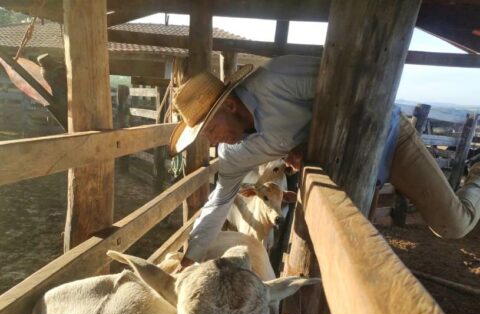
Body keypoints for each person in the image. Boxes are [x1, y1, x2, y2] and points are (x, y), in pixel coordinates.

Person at [168, 55, 480, 266]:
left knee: (453, 224)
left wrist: (310, 142)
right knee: (351, 250)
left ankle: (477, 175)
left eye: (210, 129)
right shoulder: (234, 154)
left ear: (230, 107)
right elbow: (218, 203)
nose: (210, 141)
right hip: (346, 169)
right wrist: (190, 257)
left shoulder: (275, 80)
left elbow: (355, 84)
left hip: (385, 137)